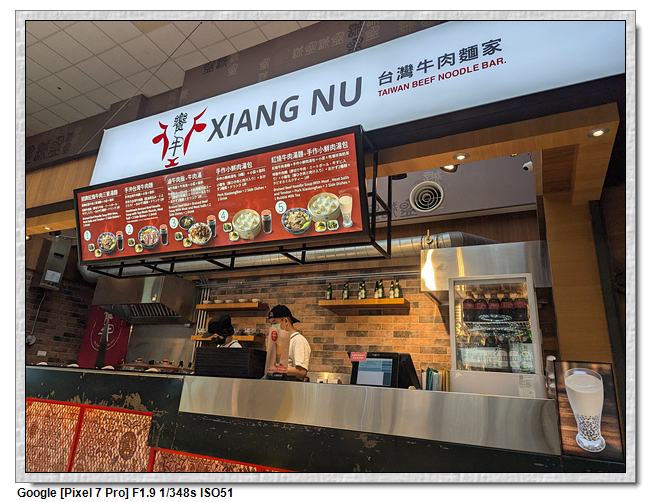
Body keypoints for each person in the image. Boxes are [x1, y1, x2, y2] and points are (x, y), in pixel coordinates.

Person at [267, 305, 311, 381]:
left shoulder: (298, 340)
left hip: (291, 386)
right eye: (271, 324)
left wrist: (276, 369)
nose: (273, 326)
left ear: (286, 321)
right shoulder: (280, 341)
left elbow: (302, 372)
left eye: (275, 322)